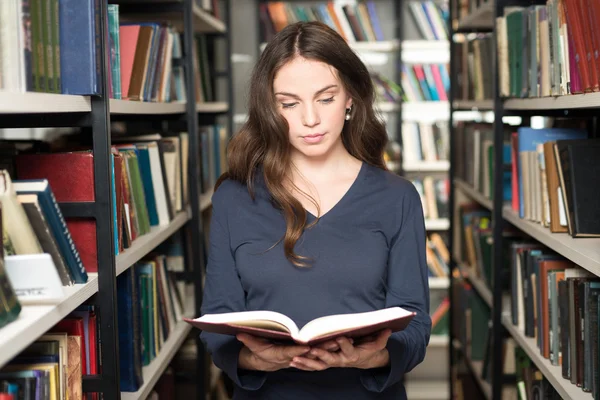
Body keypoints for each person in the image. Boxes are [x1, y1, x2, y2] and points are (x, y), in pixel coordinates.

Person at [200, 21, 431, 400]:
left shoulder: (398, 197)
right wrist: (258, 360)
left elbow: (415, 326)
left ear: (351, 98)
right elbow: (217, 320)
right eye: (289, 103)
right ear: (270, 108)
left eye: (325, 98)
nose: (310, 119)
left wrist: (367, 359)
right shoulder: (235, 197)